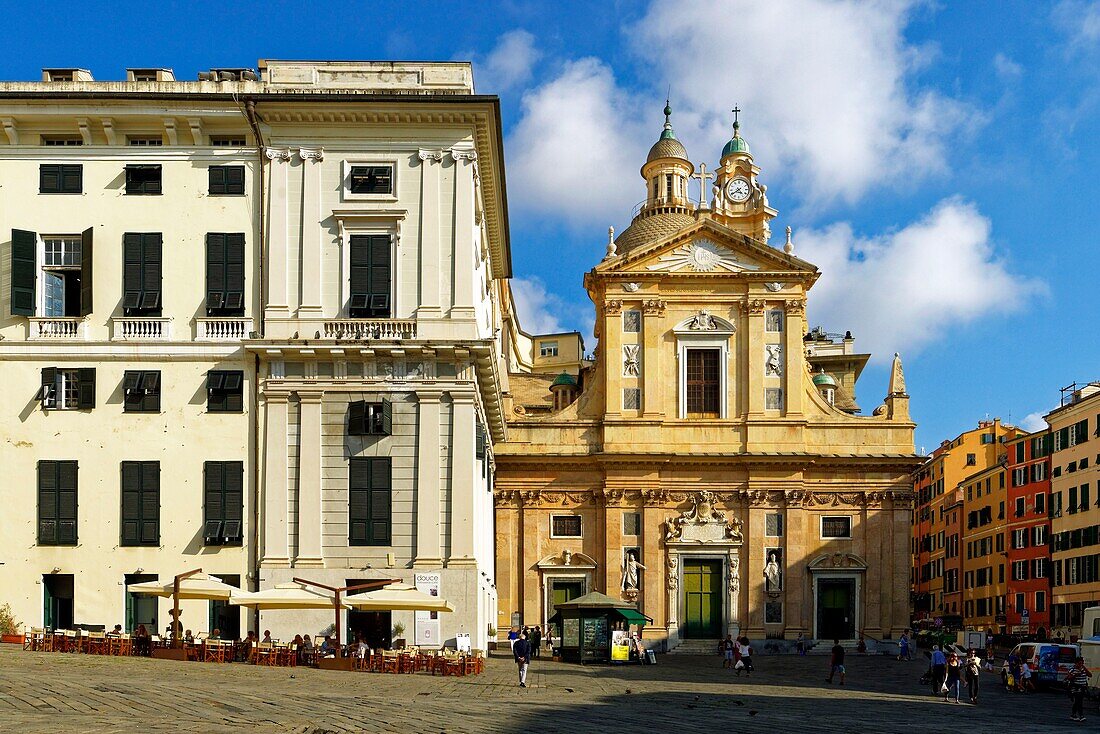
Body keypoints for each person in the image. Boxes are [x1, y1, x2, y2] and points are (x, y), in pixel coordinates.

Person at [1067, 656, 1092, 722]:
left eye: (1082, 663)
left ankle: (1073, 714)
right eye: (1079, 663)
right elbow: (1069, 677)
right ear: (1076, 663)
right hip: (1075, 687)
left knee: (1077, 701)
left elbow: (1090, 675)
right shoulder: (1072, 669)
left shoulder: (1083, 669)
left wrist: (1084, 669)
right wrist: (1077, 674)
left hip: (1082, 686)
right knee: (1079, 701)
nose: (1080, 665)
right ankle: (1081, 715)